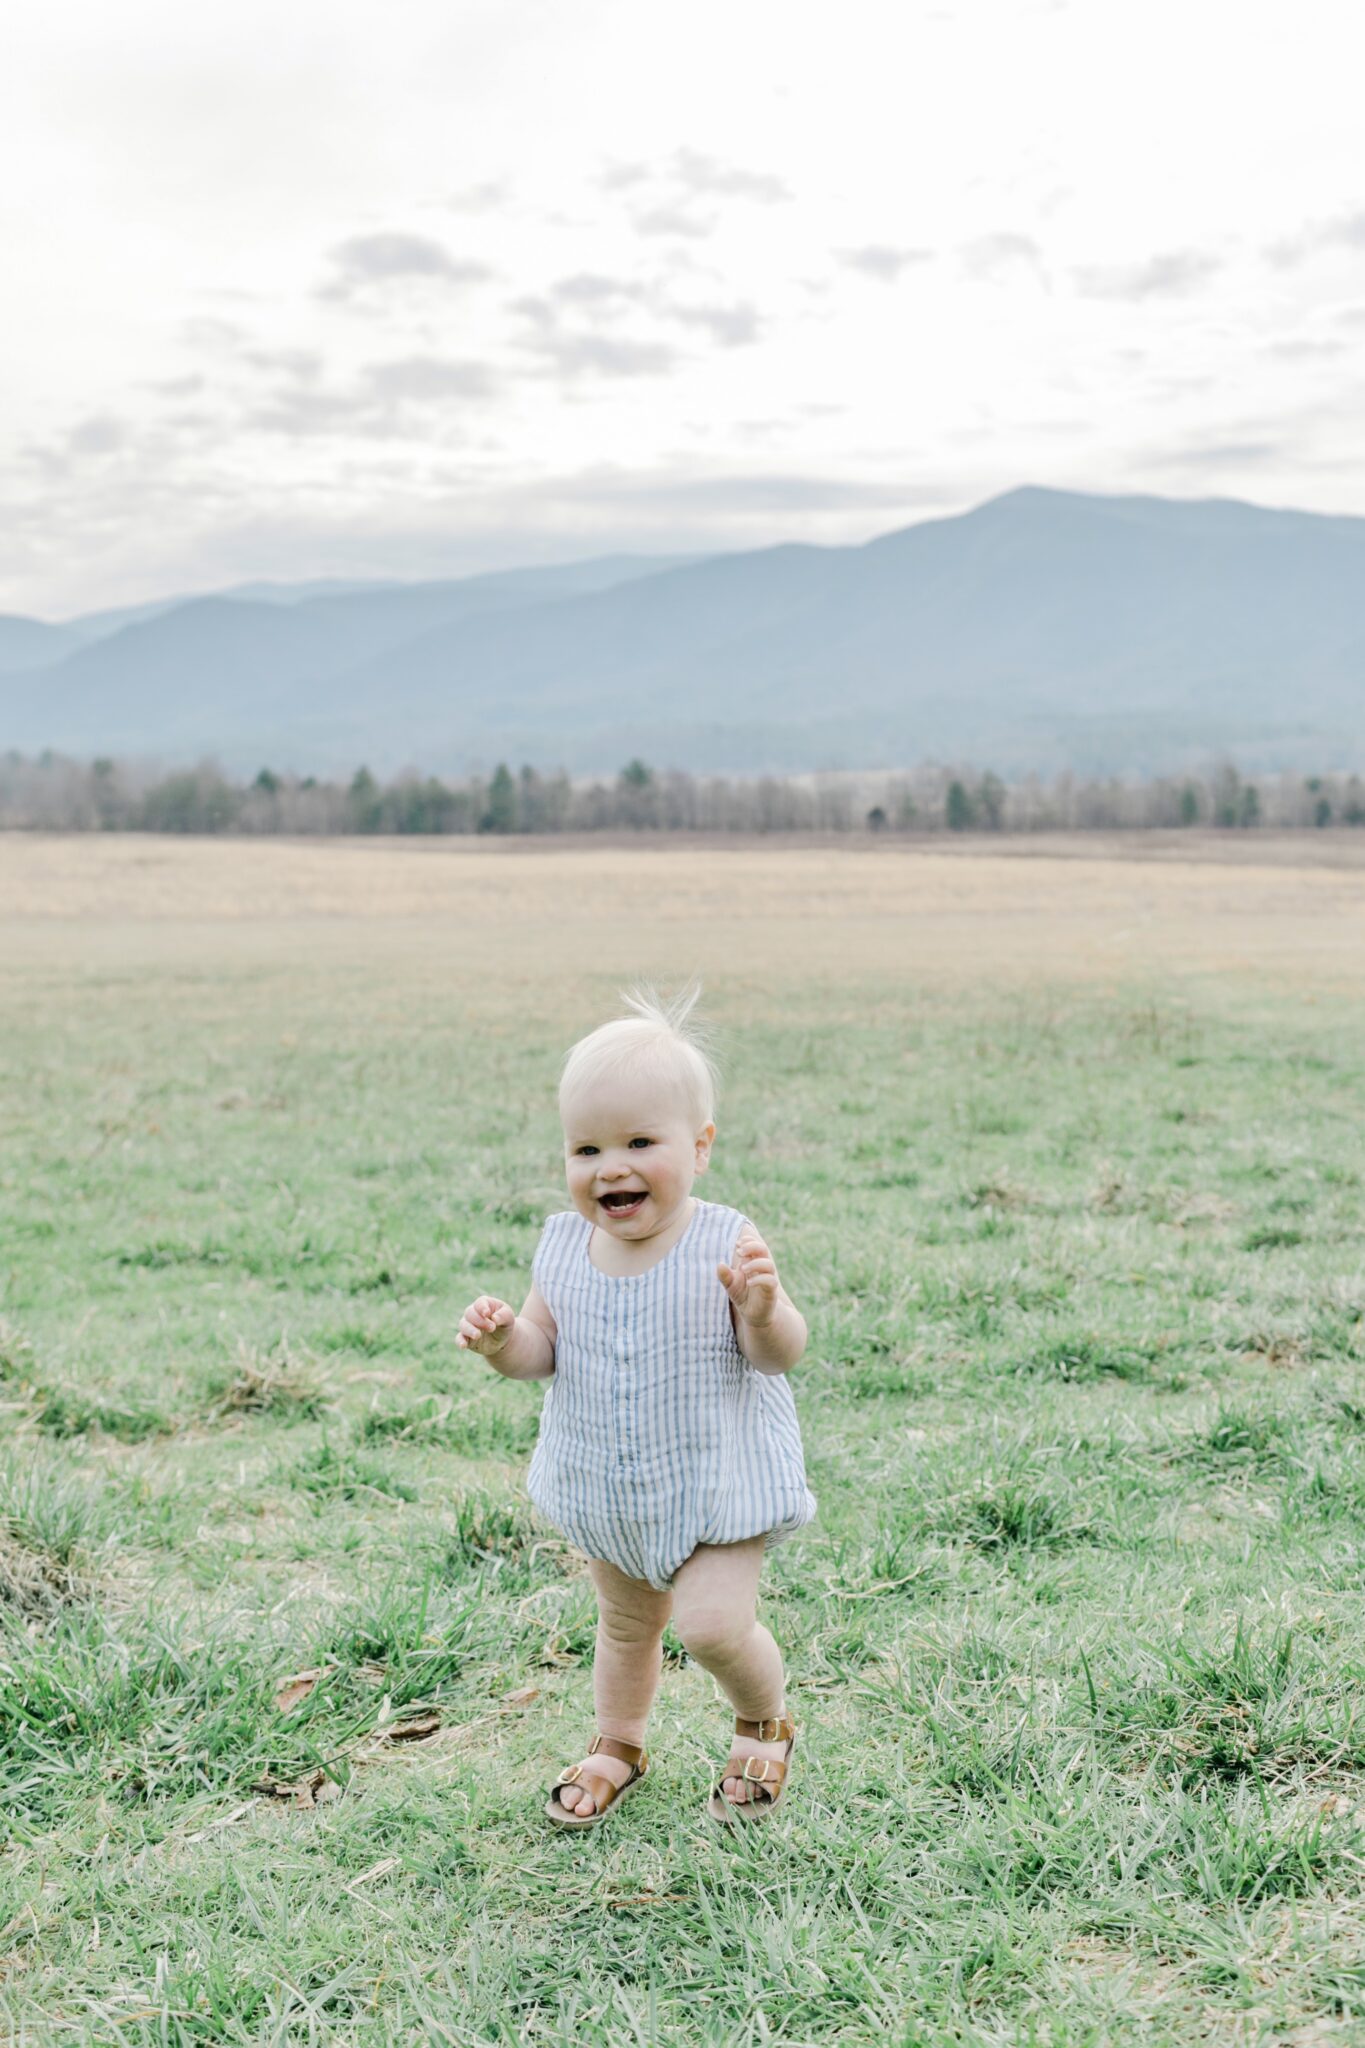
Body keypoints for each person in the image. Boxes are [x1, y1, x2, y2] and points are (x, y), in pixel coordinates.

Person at [456, 984, 817, 1827]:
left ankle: (763, 1722)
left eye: (639, 1142)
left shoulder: (725, 1240)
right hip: (611, 1491)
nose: (609, 1167)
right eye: (585, 1149)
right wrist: (503, 1341)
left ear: (700, 1148)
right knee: (624, 1629)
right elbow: (543, 1352)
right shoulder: (562, 1247)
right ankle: (618, 1741)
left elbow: (779, 1355)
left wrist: (763, 1313)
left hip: (716, 1489)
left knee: (711, 1627)